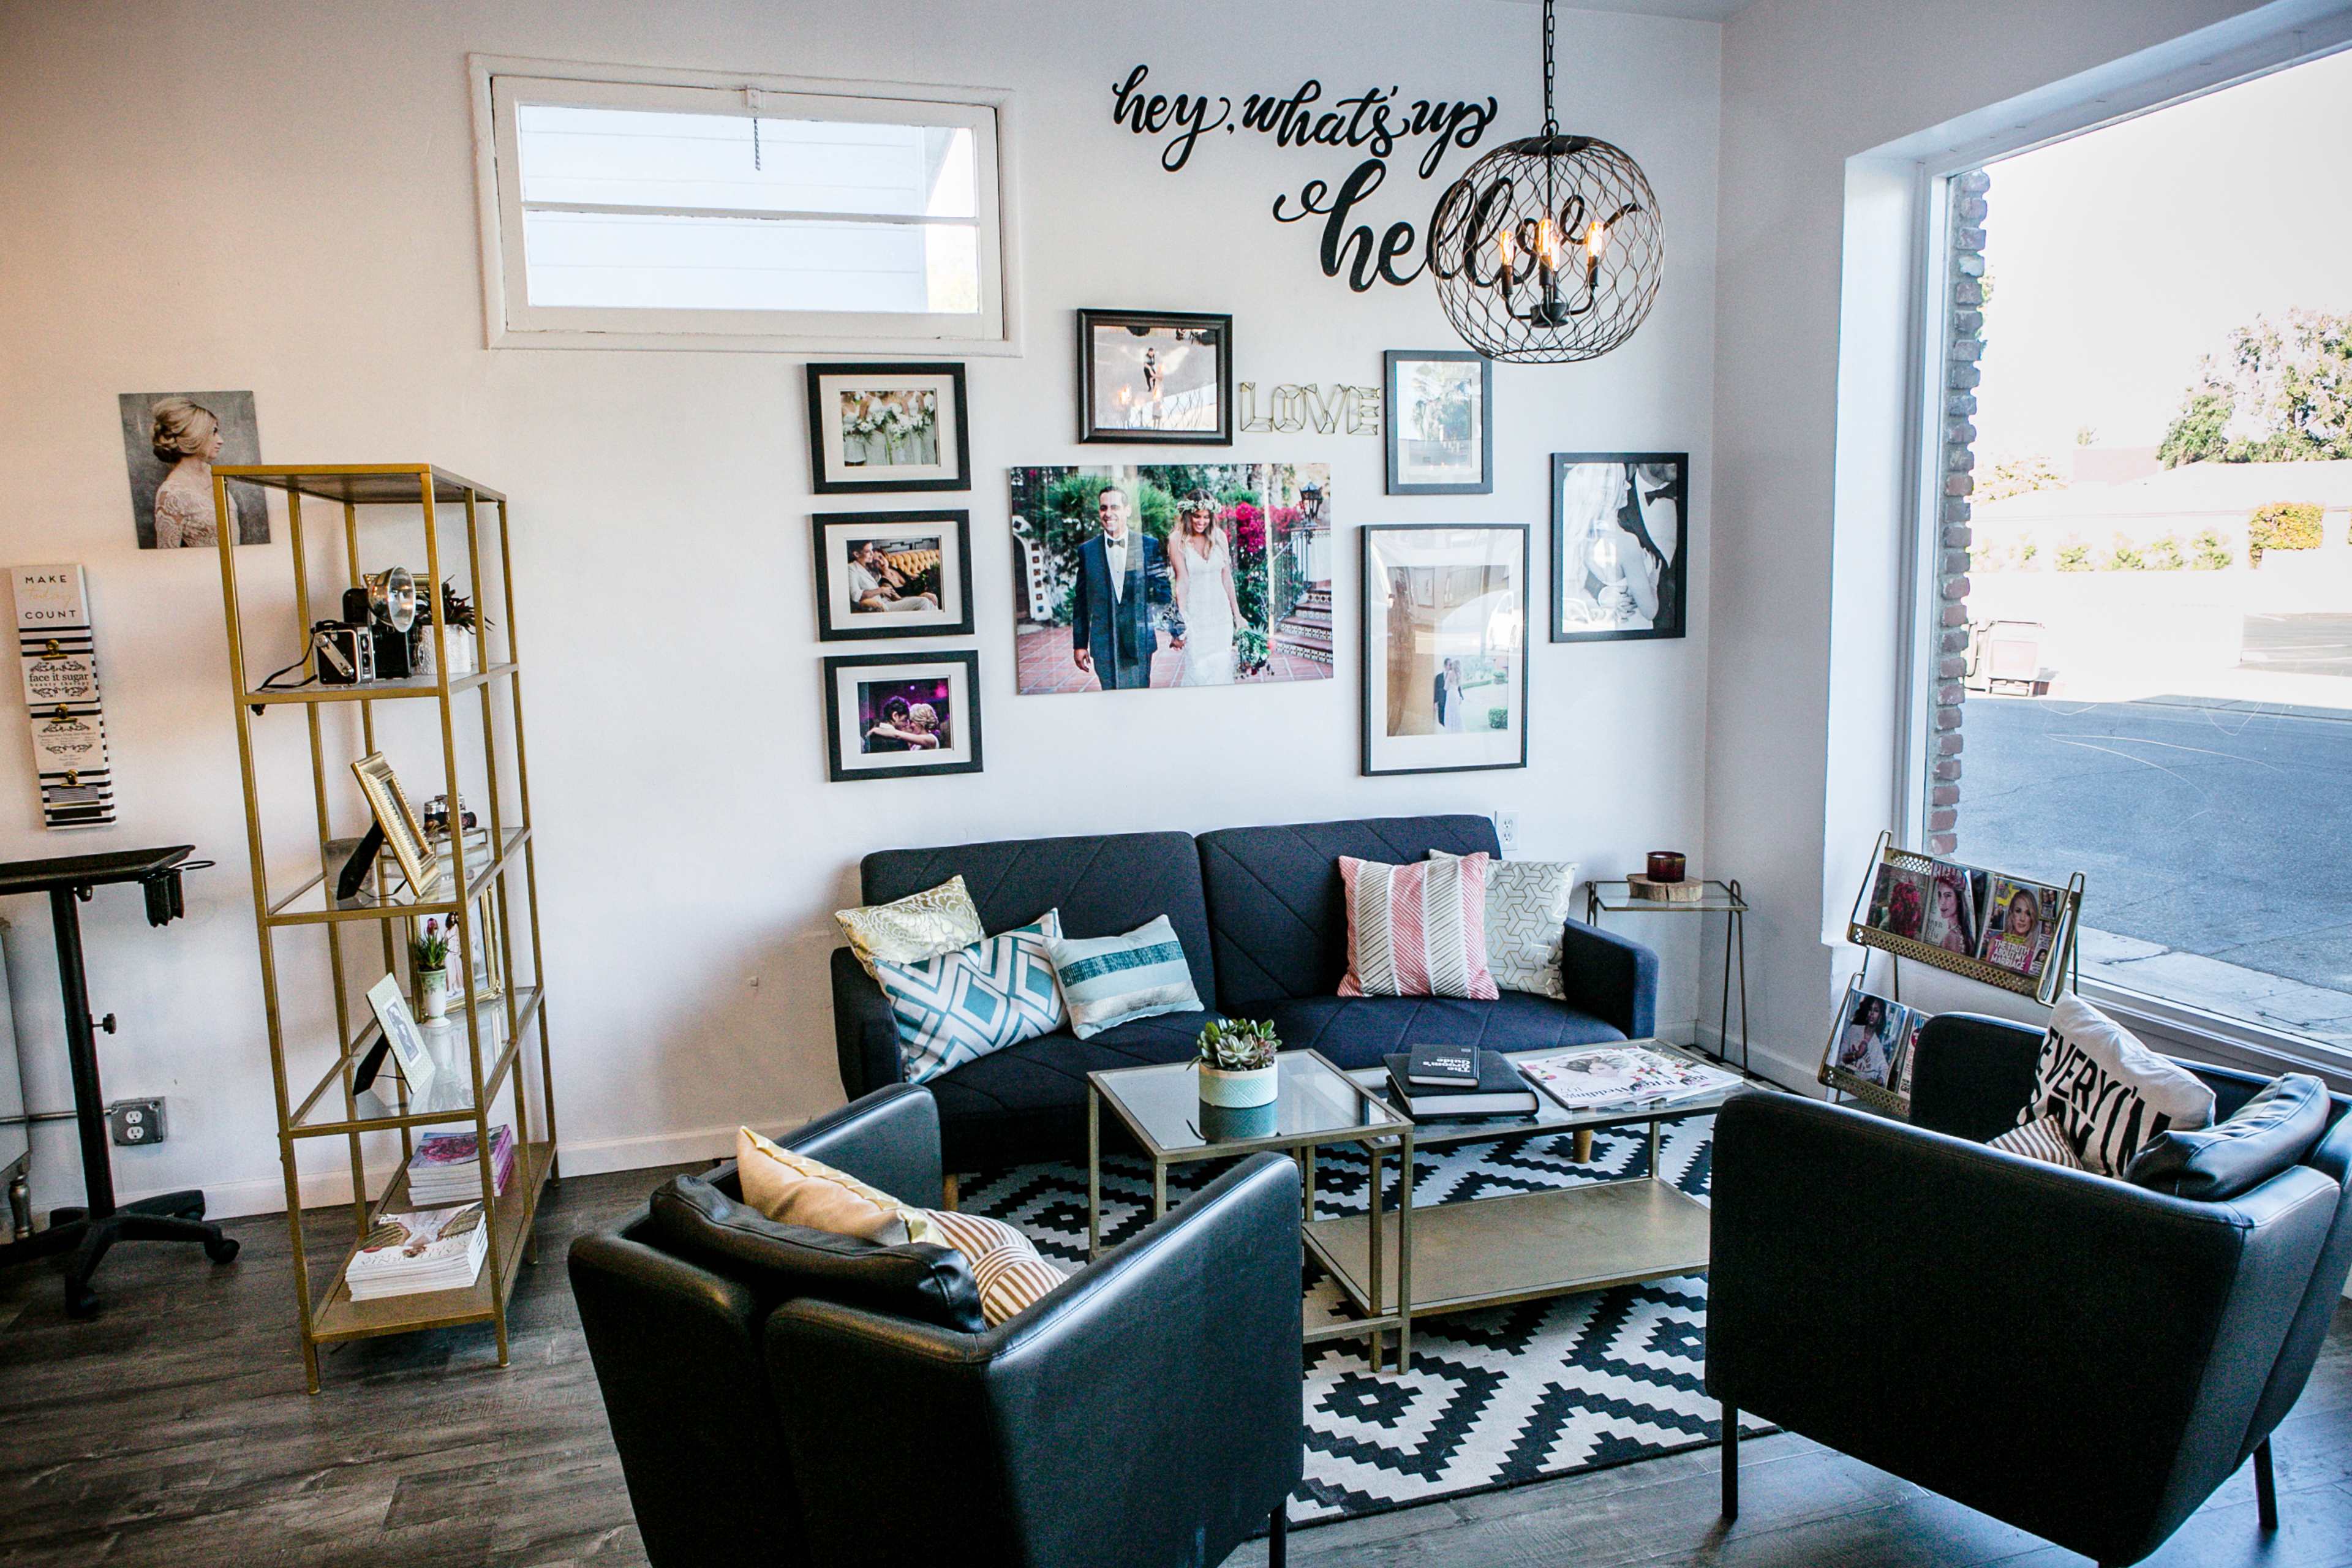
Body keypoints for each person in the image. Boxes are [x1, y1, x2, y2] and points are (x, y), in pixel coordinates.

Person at [1069, 486, 1167, 690]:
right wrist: (1080, 644)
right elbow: (1081, 603)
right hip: (1104, 644)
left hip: (1138, 641)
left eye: (1115, 507)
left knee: (1139, 699)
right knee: (1111, 699)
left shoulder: (1148, 546)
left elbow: (1162, 592)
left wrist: (1175, 628)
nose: (1108, 513)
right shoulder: (1087, 551)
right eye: (1103, 508)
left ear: (1127, 510)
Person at [1169, 491, 1238, 686]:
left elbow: (1227, 578)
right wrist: (1181, 621)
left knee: (1221, 671)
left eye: (1206, 517)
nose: (1201, 521)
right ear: (1188, 515)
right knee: (1198, 673)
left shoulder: (1220, 537)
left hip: (1221, 617)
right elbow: (1181, 581)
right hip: (1196, 617)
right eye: (1197, 516)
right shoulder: (1177, 540)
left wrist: (1237, 615)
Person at [149, 396, 238, 548]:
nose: (220, 440)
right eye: (213, 432)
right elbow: (168, 558)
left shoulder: (214, 473)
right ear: (194, 437)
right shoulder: (171, 493)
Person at [846, 541, 937, 614]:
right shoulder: (851, 568)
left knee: (930, 601)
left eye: (871, 550)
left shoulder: (869, 568)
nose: (872, 553)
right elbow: (855, 596)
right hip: (881, 606)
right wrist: (881, 590)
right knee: (923, 602)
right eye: (868, 551)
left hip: (888, 601)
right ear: (857, 554)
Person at [1983, 886, 2045, 974]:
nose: (2022, 918)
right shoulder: (1994, 941)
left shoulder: (2035, 953)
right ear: (2011, 914)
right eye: (2018, 911)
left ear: (2032, 918)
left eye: (2028, 913)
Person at [1838, 996, 1898, 1085]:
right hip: (1843, 1080)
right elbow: (1840, 1057)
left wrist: (1877, 1082)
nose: (1872, 1014)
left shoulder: (1877, 1044)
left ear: (1881, 1016)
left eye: (1876, 1011)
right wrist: (1857, 1055)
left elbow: (1885, 1069)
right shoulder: (1854, 1029)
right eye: (1870, 1009)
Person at [1923, 865, 1978, 956]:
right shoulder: (1961, 932)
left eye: (1948, 895)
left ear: (1959, 899)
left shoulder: (1952, 937)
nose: (1942, 903)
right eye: (1940, 895)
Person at [864, 695, 938, 752]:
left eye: (911, 721)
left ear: (921, 723)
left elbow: (897, 735)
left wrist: (876, 730)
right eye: (906, 720)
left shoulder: (931, 739)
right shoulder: (913, 742)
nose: (908, 724)